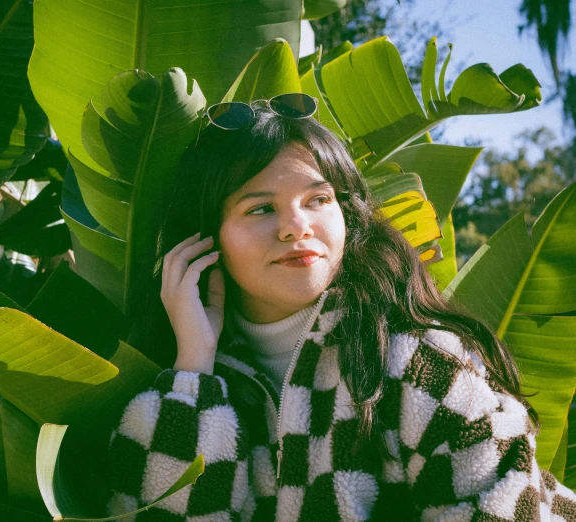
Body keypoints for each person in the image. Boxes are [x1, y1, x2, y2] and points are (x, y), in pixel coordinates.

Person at [104, 94, 576, 521]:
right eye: (260, 209)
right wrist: (193, 371)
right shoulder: (197, 377)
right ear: (205, 238)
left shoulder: (423, 361)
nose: (296, 226)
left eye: (317, 200)